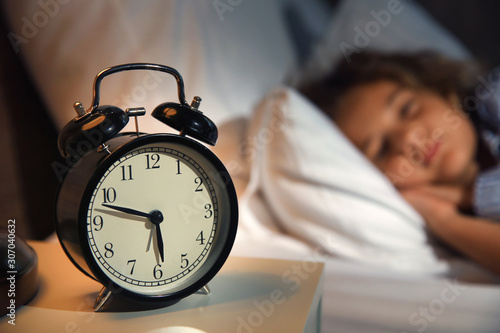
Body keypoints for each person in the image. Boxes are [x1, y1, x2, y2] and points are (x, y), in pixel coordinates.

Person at [299, 50, 500, 275]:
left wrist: (473, 195)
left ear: (440, 91)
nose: (407, 138)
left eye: (407, 109)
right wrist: (444, 220)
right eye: (381, 150)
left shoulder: (493, 99)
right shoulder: (452, 235)